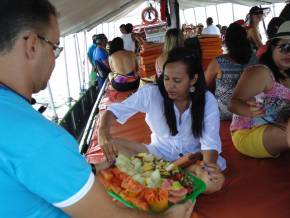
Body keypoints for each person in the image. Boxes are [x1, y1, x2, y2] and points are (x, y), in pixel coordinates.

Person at [0, 0, 195, 217]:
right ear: (32, 45)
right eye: (55, 48)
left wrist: (93, 169)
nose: (54, 60)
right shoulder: (40, 138)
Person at [99, 48, 226, 193]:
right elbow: (113, 111)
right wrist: (103, 131)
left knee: (213, 182)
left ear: (193, 79)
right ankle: (172, 182)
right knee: (113, 147)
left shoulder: (206, 100)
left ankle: (158, 180)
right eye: (166, 78)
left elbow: (210, 144)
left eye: (177, 80)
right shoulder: (151, 93)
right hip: (156, 155)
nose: (169, 86)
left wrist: (208, 169)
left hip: (193, 160)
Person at [228, 21, 290, 158]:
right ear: (272, 47)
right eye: (285, 47)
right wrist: (249, 110)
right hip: (248, 132)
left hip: (278, 128)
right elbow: (233, 103)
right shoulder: (261, 72)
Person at [205, 23, 257, 120]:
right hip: (249, 110)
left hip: (225, 112)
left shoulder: (219, 62)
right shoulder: (255, 59)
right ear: (246, 39)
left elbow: (204, 85)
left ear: (227, 41)